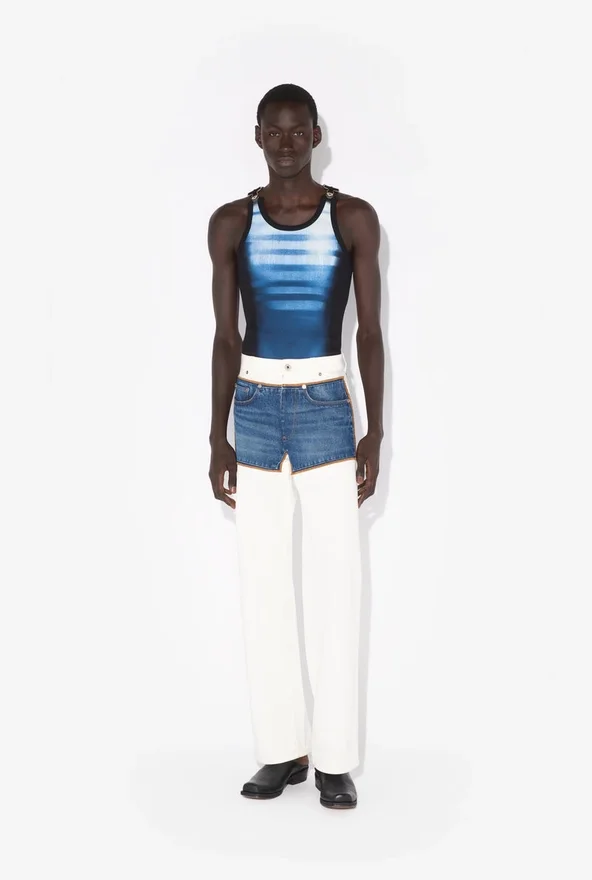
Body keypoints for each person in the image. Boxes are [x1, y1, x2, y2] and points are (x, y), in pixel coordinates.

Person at [208, 83, 384, 810]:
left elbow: (369, 332)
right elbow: (225, 337)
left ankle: (335, 759)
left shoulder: (352, 217)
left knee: (337, 581)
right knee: (262, 582)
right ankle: (283, 750)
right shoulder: (231, 222)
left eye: (297, 131)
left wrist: (376, 429)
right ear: (258, 136)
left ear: (316, 135)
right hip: (253, 406)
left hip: (323, 405)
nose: (286, 144)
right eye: (273, 132)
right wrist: (215, 435)